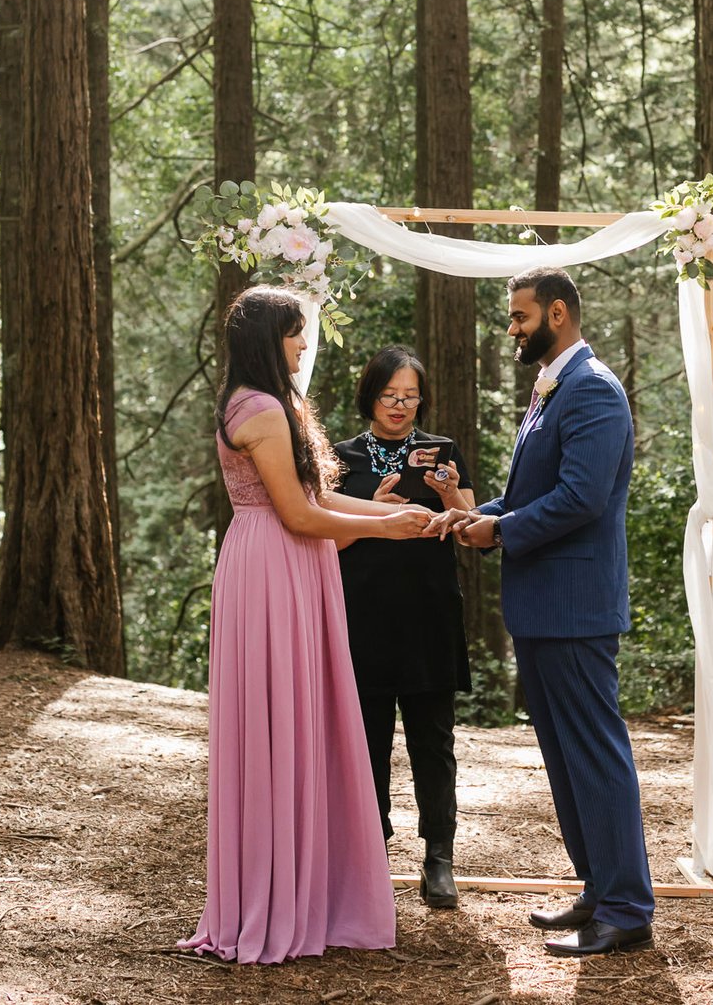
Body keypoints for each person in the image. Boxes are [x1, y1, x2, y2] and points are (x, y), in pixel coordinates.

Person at [179, 287, 432, 965]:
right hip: (272, 567)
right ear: (268, 339)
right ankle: (273, 899)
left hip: (293, 564)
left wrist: (395, 516)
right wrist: (394, 534)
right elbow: (297, 515)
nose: (303, 344)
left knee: (304, 720)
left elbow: (321, 498)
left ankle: (310, 892)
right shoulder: (257, 409)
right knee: (276, 722)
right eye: (295, 333)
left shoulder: (275, 403)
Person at [437, 267, 655, 958]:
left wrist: (499, 532)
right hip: (543, 607)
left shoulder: (592, 389)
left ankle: (627, 909)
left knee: (595, 754)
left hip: (576, 606)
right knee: (566, 759)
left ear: (558, 313)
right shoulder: (551, 388)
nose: (512, 328)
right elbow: (533, 491)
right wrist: (478, 516)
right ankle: (599, 886)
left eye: (521, 316)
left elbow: (581, 498)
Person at [333, 346, 473, 910]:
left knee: (434, 742)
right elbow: (330, 536)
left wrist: (447, 493)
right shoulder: (341, 457)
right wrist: (372, 507)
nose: (400, 406)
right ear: (371, 395)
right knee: (366, 742)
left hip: (429, 613)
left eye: (410, 396)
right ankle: (373, 855)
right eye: (391, 395)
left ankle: (439, 858)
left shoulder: (439, 452)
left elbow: (468, 527)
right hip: (363, 614)